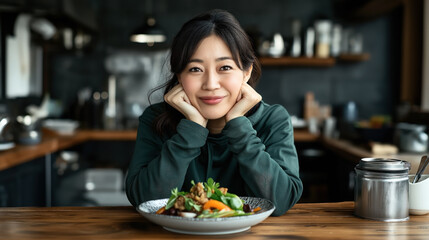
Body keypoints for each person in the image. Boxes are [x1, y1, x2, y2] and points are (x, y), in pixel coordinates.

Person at [125, 9, 302, 216]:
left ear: (246, 72)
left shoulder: (273, 120)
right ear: (179, 76)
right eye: (195, 69)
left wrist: (237, 125)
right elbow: (144, 201)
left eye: (225, 67)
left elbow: (280, 201)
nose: (210, 84)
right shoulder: (155, 119)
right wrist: (191, 130)